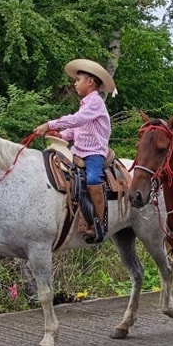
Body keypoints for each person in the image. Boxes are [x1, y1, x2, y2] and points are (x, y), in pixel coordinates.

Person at [33, 58, 115, 243]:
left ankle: (99, 223)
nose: (75, 84)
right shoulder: (86, 104)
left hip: (94, 152)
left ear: (90, 82)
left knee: (93, 178)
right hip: (77, 150)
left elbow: (77, 119)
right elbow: (76, 128)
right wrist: (61, 135)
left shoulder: (95, 102)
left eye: (78, 80)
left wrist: (50, 124)